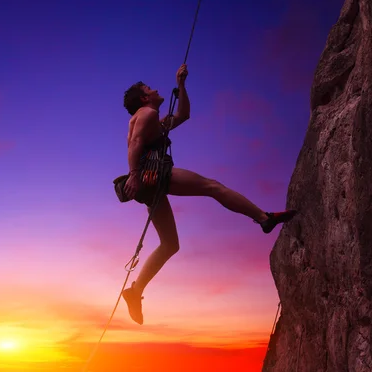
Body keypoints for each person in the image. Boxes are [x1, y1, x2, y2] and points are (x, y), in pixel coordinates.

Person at [115, 64, 297, 325]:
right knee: (212, 186)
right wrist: (134, 174)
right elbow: (135, 143)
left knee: (170, 245)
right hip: (151, 176)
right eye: (149, 89)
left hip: (149, 182)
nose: (155, 89)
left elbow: (184, 115)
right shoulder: (146, 113)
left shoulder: (154, 118)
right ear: (144, 98)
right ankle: (262, 217)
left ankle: (135, 291)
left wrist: (182, 85)